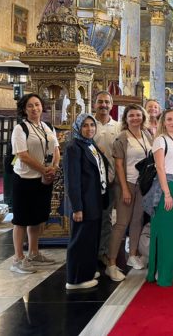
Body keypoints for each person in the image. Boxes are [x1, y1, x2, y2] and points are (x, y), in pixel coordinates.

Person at [10, 93, 60, 274]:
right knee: (21, 219)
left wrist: (54, 167)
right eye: (30, 106)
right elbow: (22, 155)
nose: (34, 108)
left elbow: (56, 149)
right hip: (25, 180)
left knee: (36, 218)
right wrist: (44, 169)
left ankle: (33, 253)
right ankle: (18, 259)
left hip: (43, 179)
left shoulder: (47, 126)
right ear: (24, 109)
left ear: (42, 106)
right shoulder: (20, 129)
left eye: (37, 104)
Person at [106, 104, 153, 281]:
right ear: (126, 118)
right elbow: (118, 165)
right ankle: (111, 263)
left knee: (137, 220)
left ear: (143, 117)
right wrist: (125, 188)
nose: (135, 118)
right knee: (121, 223)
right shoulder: (122, 138)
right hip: (127, 184)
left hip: (143, 184)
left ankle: (132, 255)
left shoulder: (147, 134)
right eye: (131, 115)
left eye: (138, 115)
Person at [64, 114, 109, 289]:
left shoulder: (90, 144)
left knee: (90, 239)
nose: (89, 129)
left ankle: (87, 271)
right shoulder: (73, 147)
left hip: (95, 199)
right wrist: (77, 208)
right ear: (77, 127)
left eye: (92, 125)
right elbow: (72, 180)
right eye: (85, 125)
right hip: (84, 202)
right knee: (80, 241)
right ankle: (75, 279)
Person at [145, 108, 173, 287]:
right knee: (166, 233)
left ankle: (167, 268)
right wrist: (167, 193)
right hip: (167, 189)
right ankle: (161, 272)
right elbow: (160, 168)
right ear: (163, 122)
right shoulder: (160, 140)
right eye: (169, 119)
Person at [93, 91, 121, 266]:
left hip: (110, 179)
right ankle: (89, 250)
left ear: (111, 105)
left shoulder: (118, 127)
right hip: (90, 181)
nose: (103, 105)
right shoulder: (88, 124)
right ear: (94, 104)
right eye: (100, 101)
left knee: (106, 217)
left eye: (107, 102)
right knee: (89, 217)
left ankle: (102, 251)